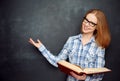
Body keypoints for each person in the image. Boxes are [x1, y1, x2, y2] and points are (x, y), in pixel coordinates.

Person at [29, 9, 111, 81]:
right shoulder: (72, 40)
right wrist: (41, 48)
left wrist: (85, 78)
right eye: (86, 20)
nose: (86, 24)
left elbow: (99, 75)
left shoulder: (99, 46)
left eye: (91, 23)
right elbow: (57, 62)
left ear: (97, 27)